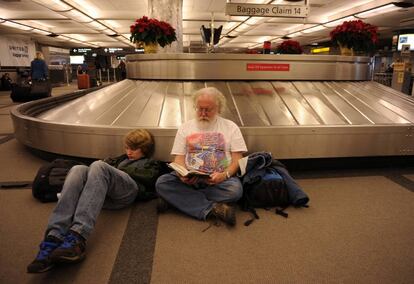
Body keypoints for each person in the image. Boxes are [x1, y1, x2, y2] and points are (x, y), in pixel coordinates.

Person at [27, 129, 161, 273]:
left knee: (98, 166)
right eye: (127, 147)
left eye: (134, 149)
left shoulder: (150, 164)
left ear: (144, 149)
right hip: (104, 196)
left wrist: (109, 170)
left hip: (129, 192)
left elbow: (148, 179)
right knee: (78, 169)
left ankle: (77, 236)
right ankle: (54, 236)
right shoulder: (121, 159)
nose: (129, 152)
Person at [156, 87, 247, 226]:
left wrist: (225, 175)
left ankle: (177, 200)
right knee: (162, 182)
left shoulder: (231, 127)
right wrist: (182, 175)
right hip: (190, 179)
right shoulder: (185, 128)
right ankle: (213, 208)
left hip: (219, 180)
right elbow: (179, 158)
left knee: (235, 190)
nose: (203, 113)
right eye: (199, 109)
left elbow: (237, 159)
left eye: (208, 110)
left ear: (218, 109)